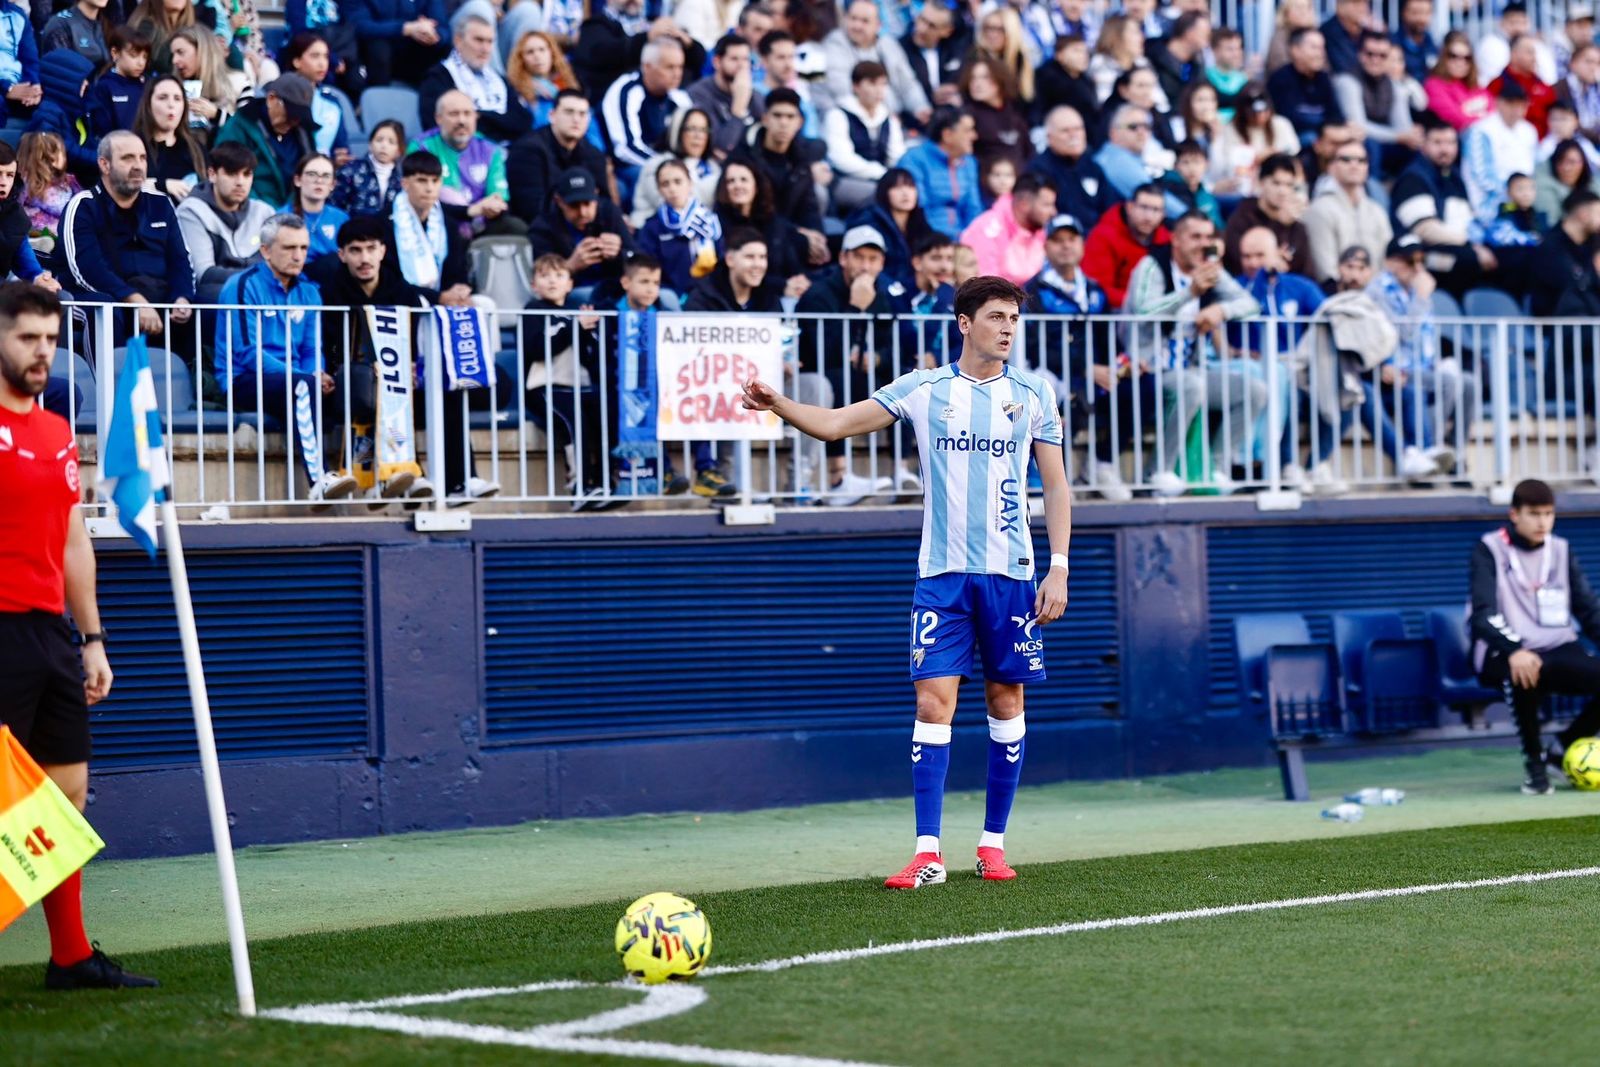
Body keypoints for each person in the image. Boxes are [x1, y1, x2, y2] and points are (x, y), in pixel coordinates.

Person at [741, 274, 1070, 887]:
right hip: (940, 577)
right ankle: (927, 852)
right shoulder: (924, 389)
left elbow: (1055, 485)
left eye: (1013, 319)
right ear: (964, 323)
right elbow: (838, 424)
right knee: (931, 701)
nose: (1006, 329)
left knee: (1006, 701)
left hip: (1012, 575)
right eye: (995, 317)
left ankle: (992, 844)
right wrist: (778, 404)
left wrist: (1059, 566)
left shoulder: (1034, 394)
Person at [0, 281, 159, 992]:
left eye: (51, 340)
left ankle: (69, 955)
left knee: (64, 797)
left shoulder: (58, 430)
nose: (42, 353)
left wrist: (91, 638)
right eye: (28, 339)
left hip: (50, 634)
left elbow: (71, 541)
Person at [1470, 478, 1600, 795]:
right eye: (1534, 513)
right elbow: (1481, 615)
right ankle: (1534, 764)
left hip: (1557, 644)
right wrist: (1514, 648)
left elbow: (1588, 610)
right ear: (1515, 514)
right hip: (1504, 648)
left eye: (1549, 514)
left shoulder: (1560, 549)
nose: (1543, 522)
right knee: (1524, 670)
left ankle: (1562, 748)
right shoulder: (1489, 549)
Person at [217, 213, 357, 506]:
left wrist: (316, 373)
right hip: (243, 379)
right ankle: (319, 481)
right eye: (289, 248)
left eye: (304, 248)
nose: (298, 256)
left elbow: (310, 349)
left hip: (293, 380)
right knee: (303, 385)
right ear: (266, 250)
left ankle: (372, 475)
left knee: (356, 386)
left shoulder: (309, 292)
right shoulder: (241, 285)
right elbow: (247, 352)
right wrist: (304, 377)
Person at [1123, 210, 1264, 492]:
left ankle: (1217, 467)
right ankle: (1158, 471)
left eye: (1208, 237)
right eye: (1195, 237)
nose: (1203, 244)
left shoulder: (1210, 270)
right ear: (1176, 239)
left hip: (1191, 369)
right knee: (1191, 385)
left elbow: (1250, 304)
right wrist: (1190, 294)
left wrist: (1220, 309)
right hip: (1148, 369)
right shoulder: (1152, 266)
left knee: (1254, 390)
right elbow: (1144, 311)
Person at [1023, 211, 1142, 501]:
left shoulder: (1094, 291)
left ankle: (1102, 465)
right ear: (1046, 246)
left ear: (1082, 244)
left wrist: (1122, 364)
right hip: (1051, 371)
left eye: (1072, 239)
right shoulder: (1032, 292)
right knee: (1053, 396)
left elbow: (1108, 340)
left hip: (1092, 371)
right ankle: (1051, 480)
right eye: (1057, 240)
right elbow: (1036, 346)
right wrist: (1085, 368)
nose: (1065, 246)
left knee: (1135, 388)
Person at [59, 131, 195, 342]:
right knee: (105, 309)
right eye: (127, 158)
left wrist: (182, 298)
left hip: (155, 295)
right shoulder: (83, 206)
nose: (139, 165)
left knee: (208, 308)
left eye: (142, 158)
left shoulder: (161, 203)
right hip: (105, 297)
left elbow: (180, 260)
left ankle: (203, 374)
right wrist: (133, 299)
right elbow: (85, 269)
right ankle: (108, 375)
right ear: (104, 165)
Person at [1366, 232, 1476, 474]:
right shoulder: (1378, 291)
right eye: (1409, 261)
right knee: (1447, 382)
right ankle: (1431, 449)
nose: (1417, 268)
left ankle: (1456, 452)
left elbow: (1427, 336)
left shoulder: (1414, 290)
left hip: (1422, 368)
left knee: (1468, 383)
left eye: (1420, 261)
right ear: (1390, 262)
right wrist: (1422, 297)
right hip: (1395, 370)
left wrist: (1436, 362)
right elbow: (1402, 332)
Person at [727, 87, 827, 259]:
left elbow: (809, 206)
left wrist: (817, 236)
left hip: (791, 239)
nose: (783, 122)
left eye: (790, 117)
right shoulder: (745, 155)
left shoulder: (800, 158)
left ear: (800, 122)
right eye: (777, 116)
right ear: (765, 119)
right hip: (754, 239)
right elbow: (754, 212)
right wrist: (798, 233)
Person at [174, 141, 274, 298]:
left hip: (259, 293)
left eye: (246, 174)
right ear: (212, 174)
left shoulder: (264, 212)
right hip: (217, 297)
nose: (240, 182)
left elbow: (277, 264)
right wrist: (256, 279)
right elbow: (205, 274)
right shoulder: (191, 211)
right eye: (232, 173)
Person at [417, 11, 532, 145]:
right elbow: (438, 126)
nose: (485, 49)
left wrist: (482, 116)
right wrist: (500, 121)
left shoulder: (500, 80)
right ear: (458, 41)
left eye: (490, 42)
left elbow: (523, 121)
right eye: (479, 40)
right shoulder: (438, 77)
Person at [411, 89, 514, 236]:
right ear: (438, 118)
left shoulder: (490, 149)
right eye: (454, 114)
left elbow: (498, 198)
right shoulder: (422, 147)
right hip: (440, 222)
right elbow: (420, 201)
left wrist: (493, 206)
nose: (462, 121)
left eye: (467, 113)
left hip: (482, 223)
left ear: (475, 117)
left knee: (514, 227)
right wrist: (469, 211)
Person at [527, 166, 635, 303]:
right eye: (574, 205)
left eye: (587, 203)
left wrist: (620, 254)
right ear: (559, 201)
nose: (582, 212)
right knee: (588, 296)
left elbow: (637, 258)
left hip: (614, 287)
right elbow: (541, 278)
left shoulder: (609, 213)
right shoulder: (543, 226)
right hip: (571, 295)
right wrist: (570, 266)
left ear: (596, 195)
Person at [213, 72, 318, 206]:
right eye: (290, 114)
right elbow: (227, 175)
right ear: (271, 99)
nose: (294, 121)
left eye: (299, 116)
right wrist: (263, 212)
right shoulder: (238, 127)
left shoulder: (303, 132)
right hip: (252, 212)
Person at [507, 89, 610, 224]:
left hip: (585, 227)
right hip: (542, 231)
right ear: (552, 116)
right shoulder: (527, 150)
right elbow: (530, 207)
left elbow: (604, 202)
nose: (576, 119)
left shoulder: (594, 154)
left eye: (582, 114)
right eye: (569, 112)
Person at [816, 0, 929, 120]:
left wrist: (920, 107)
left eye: (865, 21)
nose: (857, 26)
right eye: (853, 18)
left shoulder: (888, 44)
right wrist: (884, 115)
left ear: (878, 25)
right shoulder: (834, 44)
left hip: (897, 117)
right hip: (854, 119)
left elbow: (907, 83)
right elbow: (843, 89)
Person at [600, 37, 692, 179]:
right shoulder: (626, 90)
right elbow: (625, 148)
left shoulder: (679, 96)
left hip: (669, 165)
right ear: (647, 67)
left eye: (680, 67)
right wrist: (666, 167)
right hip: (629, 167)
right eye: (670, 67)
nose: (677, 74)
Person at [1302, 140, 1391, 286]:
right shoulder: (1319, 209)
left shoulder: (1377, 211)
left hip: (1375, 296)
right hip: (1336, 294)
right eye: (1346, 159)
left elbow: (1387, 262)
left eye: (1361, 160)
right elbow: (1325, 271)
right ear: (1331, 167)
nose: (1354, 165)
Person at [824, 60, 905, 216]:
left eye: (883, 84)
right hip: (845, 180)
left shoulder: (888, 118)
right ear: (856, 86)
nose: (879, 90)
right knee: (883, 196)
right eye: (873, 84)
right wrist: (881, 174)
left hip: (883, 179)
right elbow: (841, 159)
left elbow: (897, 154)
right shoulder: (838, 115)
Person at [1334, 31, 1420, 177]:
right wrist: (1399, 136)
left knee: (1416, 149)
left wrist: (1411, 136)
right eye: (1370, 54)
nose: (1376, 60)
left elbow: (1403, 126)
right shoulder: (1347, 82)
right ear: (1360, 54)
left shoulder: (1393, 85)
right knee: (1370, 145)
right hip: (1356, 143)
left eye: (1382, 55)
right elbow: (1359, 126)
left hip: (1385, 142)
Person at [635, 157, 721, 297]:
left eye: (678, 181)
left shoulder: (709, 221)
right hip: (671, 299)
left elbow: (721, 258)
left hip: (711, 296)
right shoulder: (652, 227)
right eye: (665, 184)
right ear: (659, 189)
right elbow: (648, 268)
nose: (672, 188)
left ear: (690, 183)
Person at [1220, 153, 1313, 278]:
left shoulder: (1297, 227)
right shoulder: (1241, 219)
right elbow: (1240, 266)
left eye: (1289, 185)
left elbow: (1307, 273)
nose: (1283, 191)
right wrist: (1280, 226)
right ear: (1261, 182)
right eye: (1276, 183)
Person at [1026, 105, 1118, 228]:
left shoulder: (1092, 167)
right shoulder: (1038, 171)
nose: (1074, 135)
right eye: (1065, 131)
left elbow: (1112, 207)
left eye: (1078, 129)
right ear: (1049, 137)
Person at [628, 106, 719, 229]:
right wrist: (716, 185)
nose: (699, 136)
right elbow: (672, 204)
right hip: (653, 236)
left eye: (704, 130)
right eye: (692, 129)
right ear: (677, 131)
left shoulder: (714, 168)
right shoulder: (657, 164)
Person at [1082, 181, 1168, 310]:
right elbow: (1098, 286)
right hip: (1112, 314)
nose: (1149, 217)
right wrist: (1140, 305)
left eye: (1156, 210)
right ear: (1129, 207)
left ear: (1163, 214)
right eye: (1143, 207)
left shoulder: (1167, 240)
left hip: (1155, 313)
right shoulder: (1103, 236)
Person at [1462, 80, 1539, 224]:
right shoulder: (1481, 130)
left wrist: (1525, 194)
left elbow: (1532, 169)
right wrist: (1512, 194)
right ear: (1498, 102)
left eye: (1521, 105)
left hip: (1524, 203)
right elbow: (1481, 175)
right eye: (1511, 104)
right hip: (1489, 205)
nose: (1516, 110)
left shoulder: (1529, 131)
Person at [959, 171, 1055, 286]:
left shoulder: (1039, 229)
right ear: (1024, 204)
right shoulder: (987, 230)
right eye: (1047, 205)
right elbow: (986, 286)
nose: (1053, 212)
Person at [898, 105, 981, 235]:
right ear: (947, 135)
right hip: (928, 240)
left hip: (962, 240)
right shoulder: (914, 160)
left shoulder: (969, 162)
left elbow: (973, 209)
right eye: (967, 131)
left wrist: (971, 239)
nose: (974, 136)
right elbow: (918, 211)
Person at [1209, 87, 1301, 198]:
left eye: (1264, 111)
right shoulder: (1231, 129)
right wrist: (1257, 159)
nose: (1260, 116)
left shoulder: (1281, 124)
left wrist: (1274, 155)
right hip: (1244, 185)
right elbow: (1229, 167)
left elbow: (1293, 154)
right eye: (1255, 112)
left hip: (1278, 181)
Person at [27, 48, 97, 185]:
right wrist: (99, 159)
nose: (87, 84)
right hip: (49, 187)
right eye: (82, 80)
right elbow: (60, 148)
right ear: (65, 82)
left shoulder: (78, 112)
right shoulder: (47, 112)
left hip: (75, 181)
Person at [685, 32, 762, 157]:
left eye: (745, 59)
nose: (741, 66)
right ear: (717, 62)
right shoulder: (699, 94)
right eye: (734, 59)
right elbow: (720, 147)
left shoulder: (755, 95)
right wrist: (738, 109)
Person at [280, 32, 352, 165]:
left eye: (325, 56)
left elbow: (342, 147)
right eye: (315, 56)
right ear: (297, 61)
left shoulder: (333, 101)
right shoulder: (280, 97)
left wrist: (339, 159)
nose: (322, 63)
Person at [132, 73, 203, 202]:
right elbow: (121, 187)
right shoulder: (132, 146)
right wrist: (162, 185)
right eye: (162, 97)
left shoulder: (196, 148)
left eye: (177, 98)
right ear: (148, 104)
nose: (171, 104)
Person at [347, 0, 449, 89]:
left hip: (413, 54)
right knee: (378, 47)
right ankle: (377, 99)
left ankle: (433, 102)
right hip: (373, 58)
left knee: (443, 47)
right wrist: (405, 28)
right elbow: (358, 26)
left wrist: (433, 35)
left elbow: (443, 28)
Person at [1268, 28, 1346, 143]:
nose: (1321, 54)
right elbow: (1290, 118)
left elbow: (1336, 114)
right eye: (1314, 48)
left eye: (1322, 48)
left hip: (1325, 135)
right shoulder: (1281, 79)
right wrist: (1325, 129)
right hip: (1294, 138)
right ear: (1295, 50)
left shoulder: (1324, 78)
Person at [281, 151, 348, 273]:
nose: (319, 180)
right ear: (298, 180)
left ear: (332, 184)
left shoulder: (341, 218)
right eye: (312, 174)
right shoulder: (281, 217)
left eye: (326, 176)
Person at [165, 25, 235, 135]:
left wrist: (216, 115)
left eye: (181, 52)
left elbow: (248, 132)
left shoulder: (238, 82)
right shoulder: (171, 88)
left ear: (202, 51)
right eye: (173, 54)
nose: (174, 60)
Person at [505, 28, 581, 127]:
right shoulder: (515, 91)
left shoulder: (568, 84)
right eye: (530, 52)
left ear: (552, 53)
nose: (537, 56)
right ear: (521, 59)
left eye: (542, 49)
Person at [1487, 34, 1558, 138]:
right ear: (1514, 54)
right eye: (1529, 52)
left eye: (1534, 53)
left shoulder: (1544, 87)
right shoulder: (1497, 85)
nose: (1534, 58)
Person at [331, 118, 404, 219]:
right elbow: (335, 206)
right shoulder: (350, 170)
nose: (384, 146)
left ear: (399, 150)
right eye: (379, 140)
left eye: (391, 142)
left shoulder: (402, 180)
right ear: (370, 144)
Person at [86, 25, 150, 139]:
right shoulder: (105, 86)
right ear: (115, 53)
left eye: (144, 57)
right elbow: (103, 130)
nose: (141, 62)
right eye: (134, 55)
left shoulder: (148, 84)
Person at [17, 131, 78, 248]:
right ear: (50, 156)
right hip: (37, 229)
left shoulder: (68, 180)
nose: (64, 155)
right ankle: (30, 243)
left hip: (67, 230)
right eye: (60, 151)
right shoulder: (26, 181)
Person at [1476, 2, 1557, 89]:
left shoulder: (1537, 46)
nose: (1518, 28)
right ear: (1501, 23)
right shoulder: (1491, 44)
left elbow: (1549, 79)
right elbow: (1496, 79)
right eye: (1513, 23)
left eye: (1523, 23)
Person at [1092, 102, 1158, 200]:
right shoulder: (1117, 160)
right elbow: (1156, 200)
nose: (1141, 132)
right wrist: (1188, 212)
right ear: (1113, 133)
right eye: (1133, 127)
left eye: (1146, 126)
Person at [0, 2, 41, 130]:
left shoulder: (17, 14)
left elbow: (30, 59)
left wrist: (33, 86)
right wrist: (7, 89)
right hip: (4, 89)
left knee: (50, 110)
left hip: (19, 86)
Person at [1392, 0, 1439, 84]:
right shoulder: (1392, 45)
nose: (1421, 19)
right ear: (1403, 13)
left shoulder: (1434, 47)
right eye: (1415, 13)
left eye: (1426, 13)